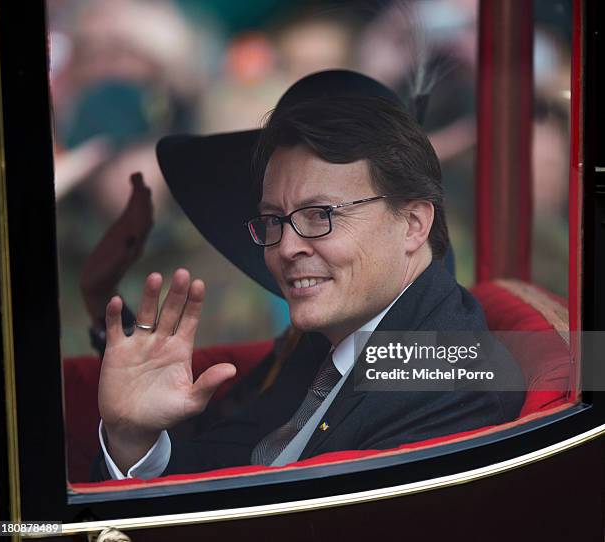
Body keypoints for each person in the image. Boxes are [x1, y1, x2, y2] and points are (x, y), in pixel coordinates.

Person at [94, 70, 524, 480]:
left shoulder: (450, 383)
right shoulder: (330, 340)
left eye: (320, 215)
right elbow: (222, 461)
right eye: (273, 221)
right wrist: (134, 439)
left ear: (412, 224)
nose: (285, 247)